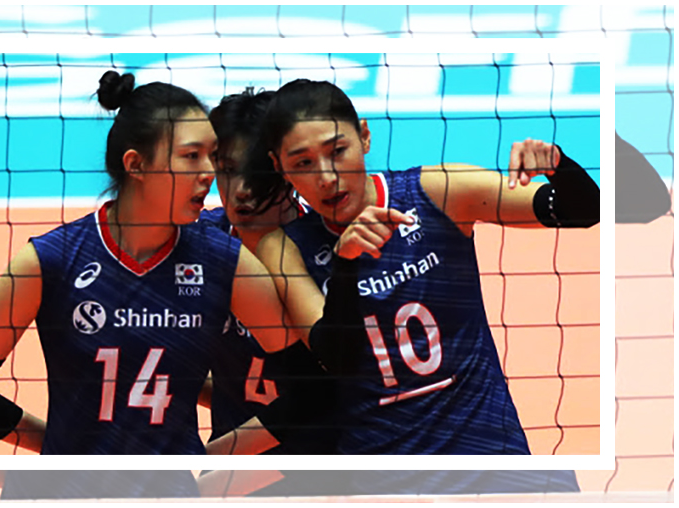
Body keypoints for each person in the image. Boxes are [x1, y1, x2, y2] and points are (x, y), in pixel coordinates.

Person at [0, 71, 391, 498]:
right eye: (197, 158)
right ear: (136, 165)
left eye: (214, 158)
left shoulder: (234, 261)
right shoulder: (54, 258)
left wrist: (202, 461)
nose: (214, 177)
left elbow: (317, 390)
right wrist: (58, 447)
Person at [249, 79, 598, 492]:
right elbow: (336, 357)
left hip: (492, 462)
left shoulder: (438, 192)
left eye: (337, 151)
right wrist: (345, 263)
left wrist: (558, 165)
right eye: (303, 163)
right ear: (279, 166)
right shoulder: (284, 248)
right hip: (385, 481)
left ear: (364, 136)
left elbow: (583, 209)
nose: (326, 177)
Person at [196, 88, 351, 497]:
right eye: (227, 170)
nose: (241, 189)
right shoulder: (199, 245)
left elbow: (323, 397)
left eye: (256, 172)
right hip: (236, 471)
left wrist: (201, 461)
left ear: (282, 168)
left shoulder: (332, 250)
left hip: (324, 467)